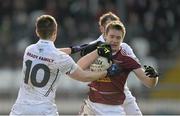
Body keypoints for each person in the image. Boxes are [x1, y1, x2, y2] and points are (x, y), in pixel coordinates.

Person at [9, 15, 120, 115]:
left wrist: (77, 48)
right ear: (55, 33)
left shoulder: (29, 50)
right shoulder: (61, 59)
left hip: (20, 110)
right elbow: (84, 77)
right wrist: (107, 72)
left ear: (37, 31)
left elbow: (49, 53)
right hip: (44, 111)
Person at [77, 21, 159, 115]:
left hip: (117, 101)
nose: (114, 40)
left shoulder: (126, 58)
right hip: (95, 103)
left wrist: (154, 76)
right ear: (105, 37)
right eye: (111, 36)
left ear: (122, 40)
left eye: (118, 38)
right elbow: (78, 68)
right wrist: (98, 52)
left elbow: (149, 83)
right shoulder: (97, 50)